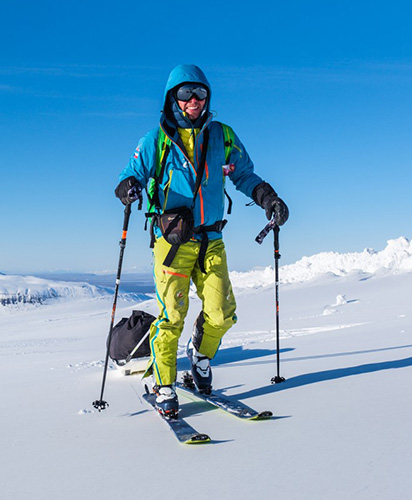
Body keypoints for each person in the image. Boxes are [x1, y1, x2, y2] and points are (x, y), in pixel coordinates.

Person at [115, 64, 288, 418]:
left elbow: (243, 174)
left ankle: (201, 358)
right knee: (172, 315)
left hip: (211, 238)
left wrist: (268, 198)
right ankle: (165, 383)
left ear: (208, 97)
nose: (193, 100)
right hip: (172, 241)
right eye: (184, 93)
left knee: (222, 313)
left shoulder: (222, 135)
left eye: (200, 93)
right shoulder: (156, 140)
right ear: (172, 98)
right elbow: (130, 172)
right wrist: (127, 187)